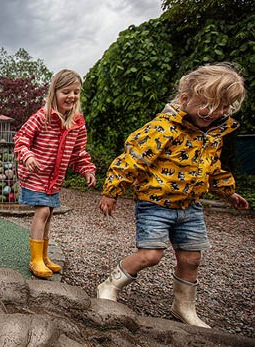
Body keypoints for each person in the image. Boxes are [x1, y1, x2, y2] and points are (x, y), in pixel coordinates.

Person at [96, 63, 249, 328]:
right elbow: (134, 158)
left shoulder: (211, 134)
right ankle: (109, 285)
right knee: (150, 255)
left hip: (191, 207)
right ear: (186, 98)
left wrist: (229, 192)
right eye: (208, 104)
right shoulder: (163, 128)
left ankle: (184, 306)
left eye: (223, 107)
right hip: (155, 204)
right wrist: (112, 190)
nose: (214, 113)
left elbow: (212, 167)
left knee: (191, 258)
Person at [13, 69, 97, 279]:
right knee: (42, 212)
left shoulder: (77, 122)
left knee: (49, 214)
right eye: (66, 91)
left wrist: (86, 168)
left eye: (76, 92)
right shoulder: (41, 117)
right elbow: (20, 140)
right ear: (54, 93)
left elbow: (78, 151)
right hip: (35, 173)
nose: (71, 96)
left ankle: (43, 255)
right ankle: (35, 259)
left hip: (54, 179)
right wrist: (28, 157)